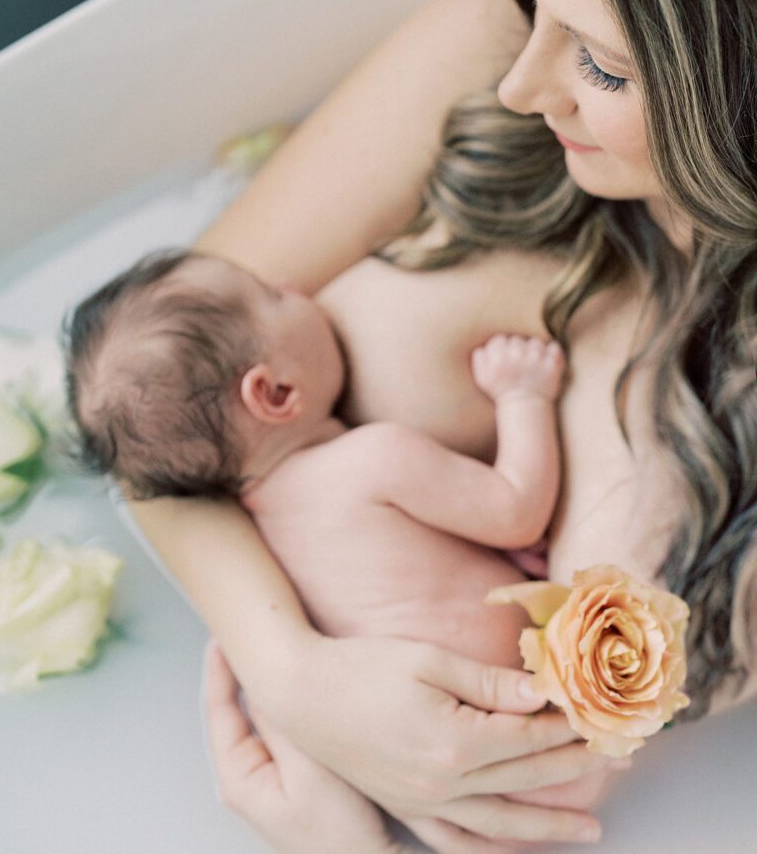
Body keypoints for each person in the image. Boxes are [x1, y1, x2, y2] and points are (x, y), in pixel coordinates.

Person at [125, 0, 757, 850]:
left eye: (597, 61)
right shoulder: (481, 53)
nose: (522, 82)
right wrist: (293, 673)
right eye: (533, 4)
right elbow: (142, 407)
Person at [66, 247, 568, 665]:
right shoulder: (375, 457)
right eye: (270, 294)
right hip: (527, 682)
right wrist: (523, 397)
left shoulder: (269, 531)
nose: (289, 284)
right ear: (277, 393)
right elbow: (518, 513)